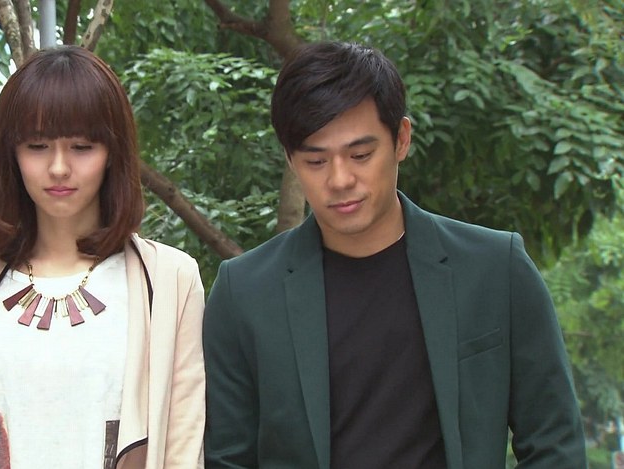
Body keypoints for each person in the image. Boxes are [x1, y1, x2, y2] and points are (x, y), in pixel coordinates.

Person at [202, 41, 586, 468]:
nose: (340, 179)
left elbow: (555, 442)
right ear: (291, 160)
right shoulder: (244, 292)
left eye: (360, 155)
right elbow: (228, 459)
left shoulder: (495, 268)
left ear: (401, 139)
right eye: (316, 161)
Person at [0, 45, 205, 469]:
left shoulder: (170, 278)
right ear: (11, 153)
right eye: (37, 145)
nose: (58, 167)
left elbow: (183, 444)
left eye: (82, 147)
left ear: (113, 153)